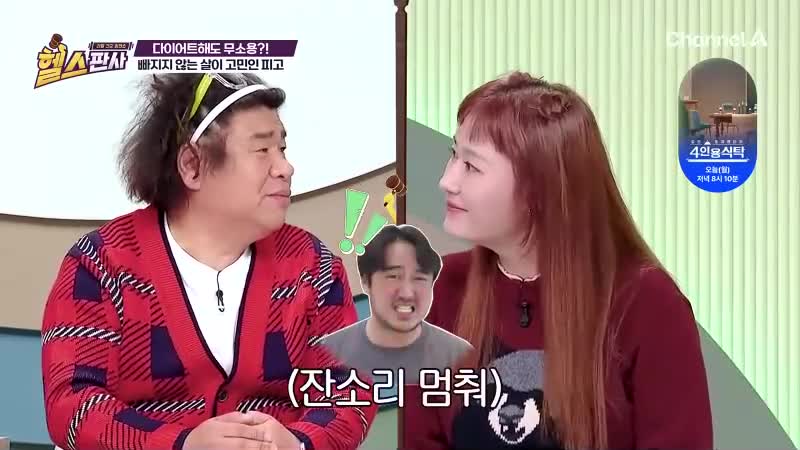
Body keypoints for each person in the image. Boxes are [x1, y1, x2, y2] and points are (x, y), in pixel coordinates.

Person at [40, 72, 377, 450]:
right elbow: (72, 404)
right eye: (262, 150)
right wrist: (181, 444)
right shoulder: (102, 264)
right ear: (192, 165)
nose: (285, 167)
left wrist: (298, 444)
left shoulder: (313, 267)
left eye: (282, 149)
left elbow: (349, 393)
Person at [400, 72, 713, 450]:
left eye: (472, 166)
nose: (447, 181)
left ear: (540, 189)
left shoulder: (648, 303)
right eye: (454, 155)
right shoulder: (441, 288)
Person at [321, 224, 472, 389]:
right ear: (366, 282)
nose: (407, 293)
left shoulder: (461, 356)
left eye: (419, 278)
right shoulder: (327, 353)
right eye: (393, 276)